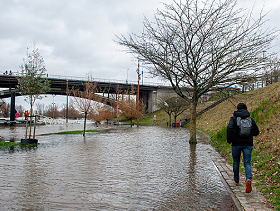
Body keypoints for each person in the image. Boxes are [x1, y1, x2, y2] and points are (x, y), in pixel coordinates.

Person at [227, 103, 259, 193]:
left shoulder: (233, 119)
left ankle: (236, 180)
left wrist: (229, 140)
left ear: (237, 109)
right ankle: (248, 179)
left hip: (236, 144)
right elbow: (256, 132)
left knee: (236, 161)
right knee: (247, 162)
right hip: (248, 144)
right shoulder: (250, 119)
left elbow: (229, 128)